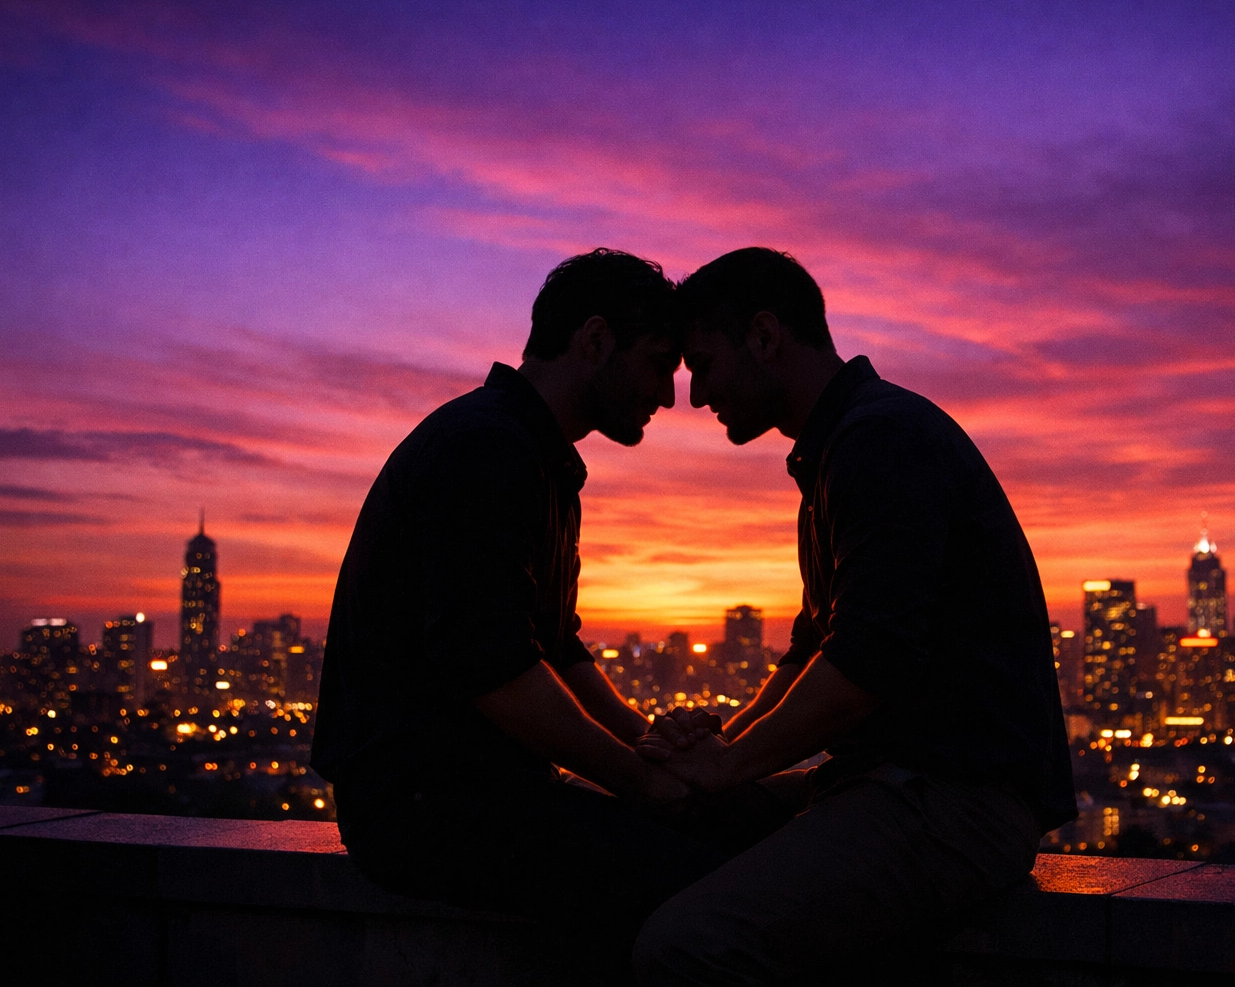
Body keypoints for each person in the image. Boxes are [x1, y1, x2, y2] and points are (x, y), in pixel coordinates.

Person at [633, 247, 1077, 985]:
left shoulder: (879, 440)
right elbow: (816, 649)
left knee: (688, 947)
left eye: (704, 365)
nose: (696, 396)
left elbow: (870, 659)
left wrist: (728, 764)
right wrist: (718, 752)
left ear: (766, 336)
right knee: (652, 831)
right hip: (897, 786)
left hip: (955, 800)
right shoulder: (846, 446)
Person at [310, 249, 725, 976]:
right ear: (595, 341)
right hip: (426, 810)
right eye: (661, 362)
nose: (668, 395)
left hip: (470, 797)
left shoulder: (531, 454)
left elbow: (555, 650)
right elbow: (494, 665)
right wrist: (638, 779)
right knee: (706, 889)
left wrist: (645, 743)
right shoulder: (490, 449)